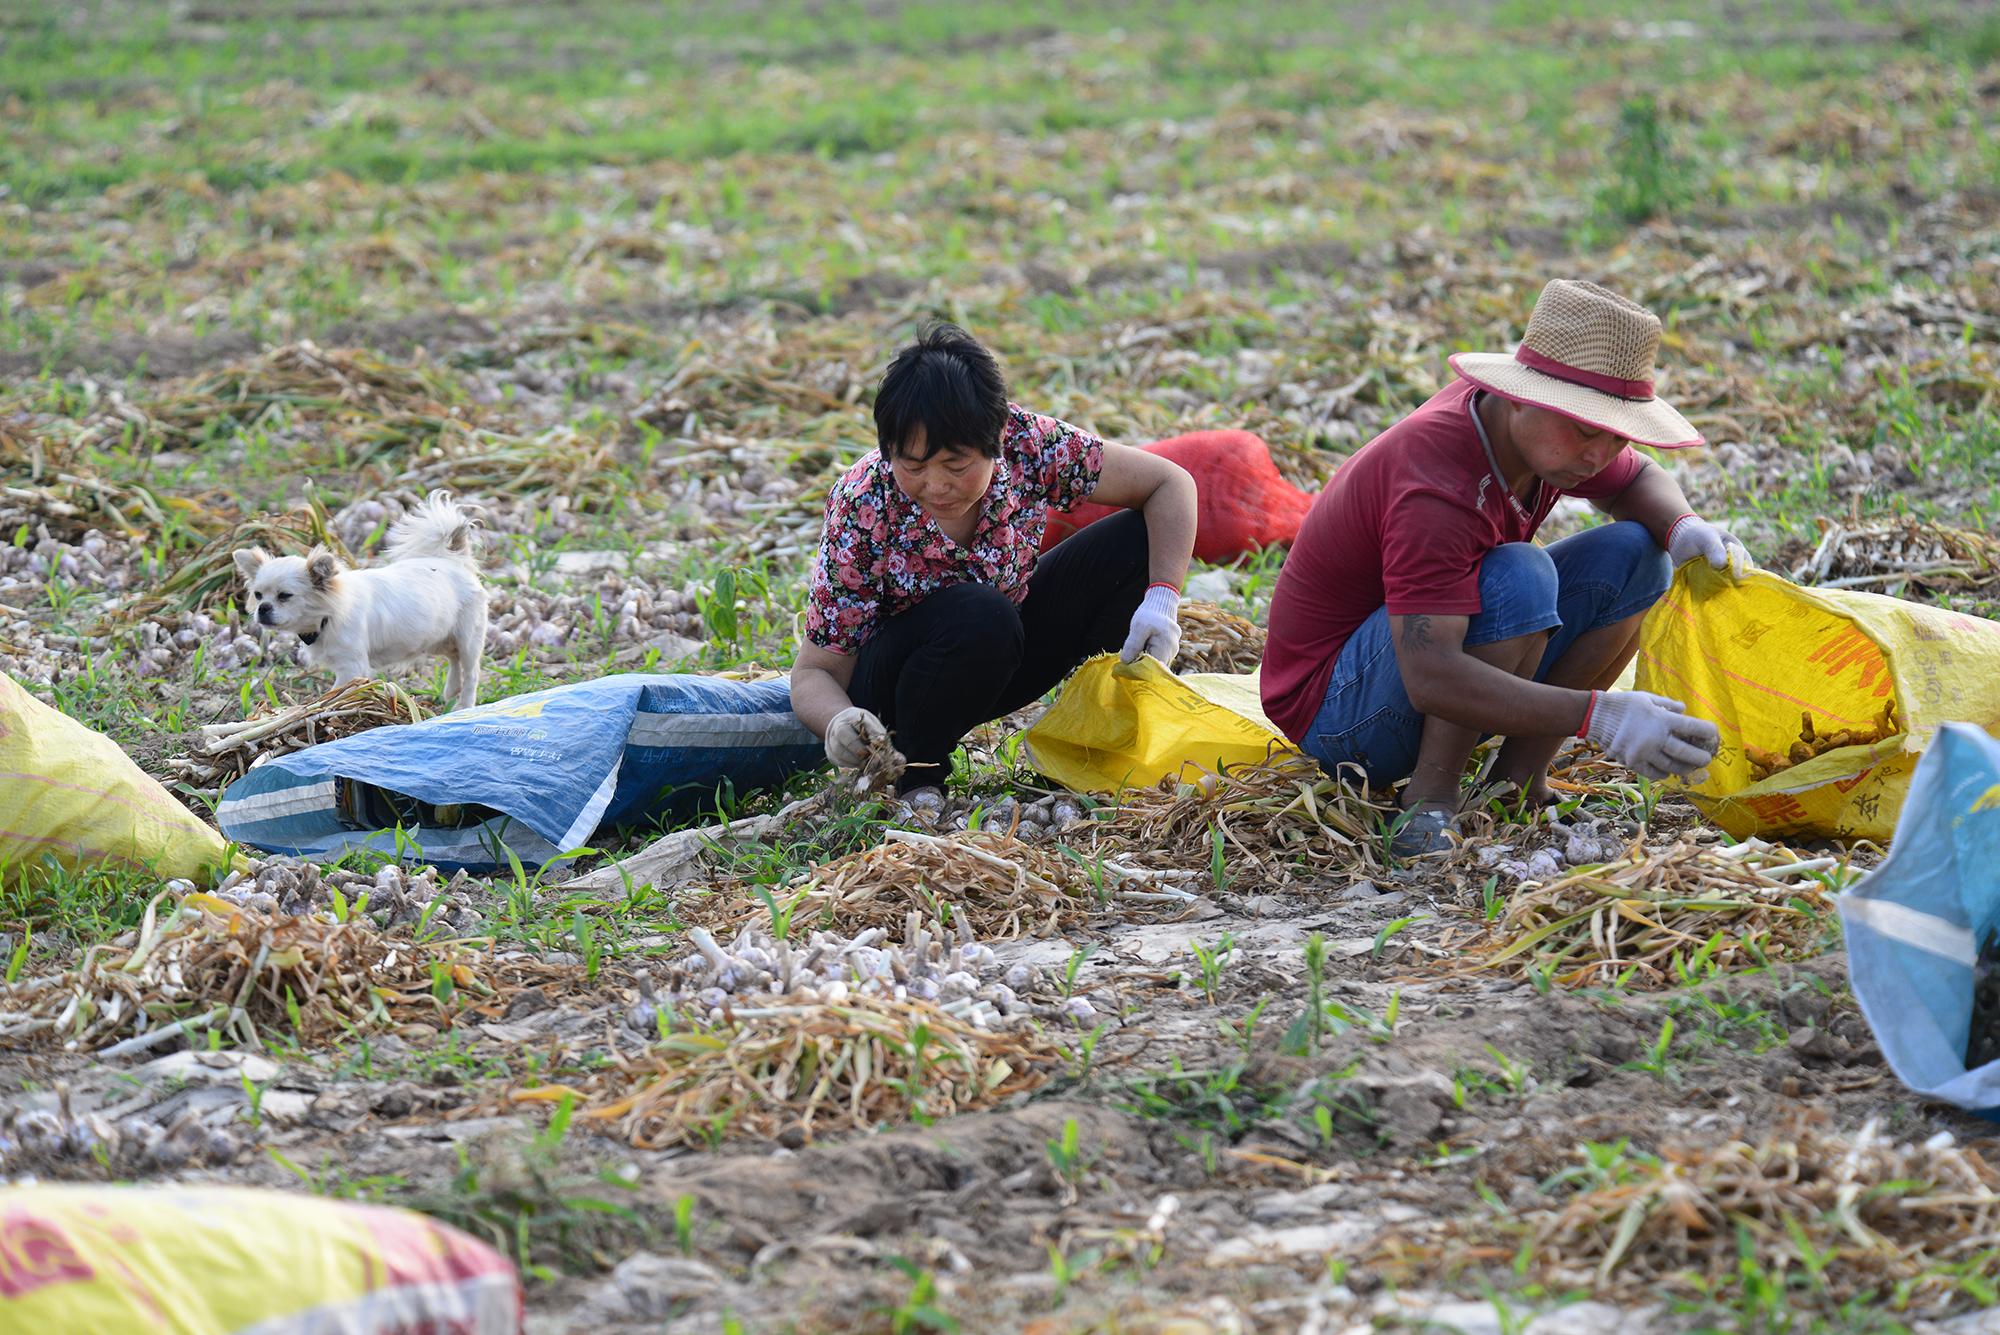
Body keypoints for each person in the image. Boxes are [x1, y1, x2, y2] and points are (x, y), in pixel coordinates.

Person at [1262, 279, 1749, 855]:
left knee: (1637, 555)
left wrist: (1683, 528)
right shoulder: (1437, 484)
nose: (1600, 455)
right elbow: (1432, 673)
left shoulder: (1544, 439)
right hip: (1338, 716)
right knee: (1521, 575)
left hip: (1408, 669)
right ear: (1522, 396)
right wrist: (1599, 716)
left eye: (1617, 438)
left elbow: (1638, 480)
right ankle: (1430, 800)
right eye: (1588, 430)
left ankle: (1514, 785)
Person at [790, 323, 1199, 803]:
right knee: (980, 611)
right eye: (914, 467)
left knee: (1132, 540)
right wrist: (841, 721)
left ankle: (1092, 739)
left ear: (997, 438)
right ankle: (918, 779)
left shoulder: (1031, 445)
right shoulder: (863, 503)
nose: (936, 486)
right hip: (901, 687)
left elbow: (1171, 483)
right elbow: (814, 672)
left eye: (957, 466)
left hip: (999, 649)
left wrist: (1163, 598)